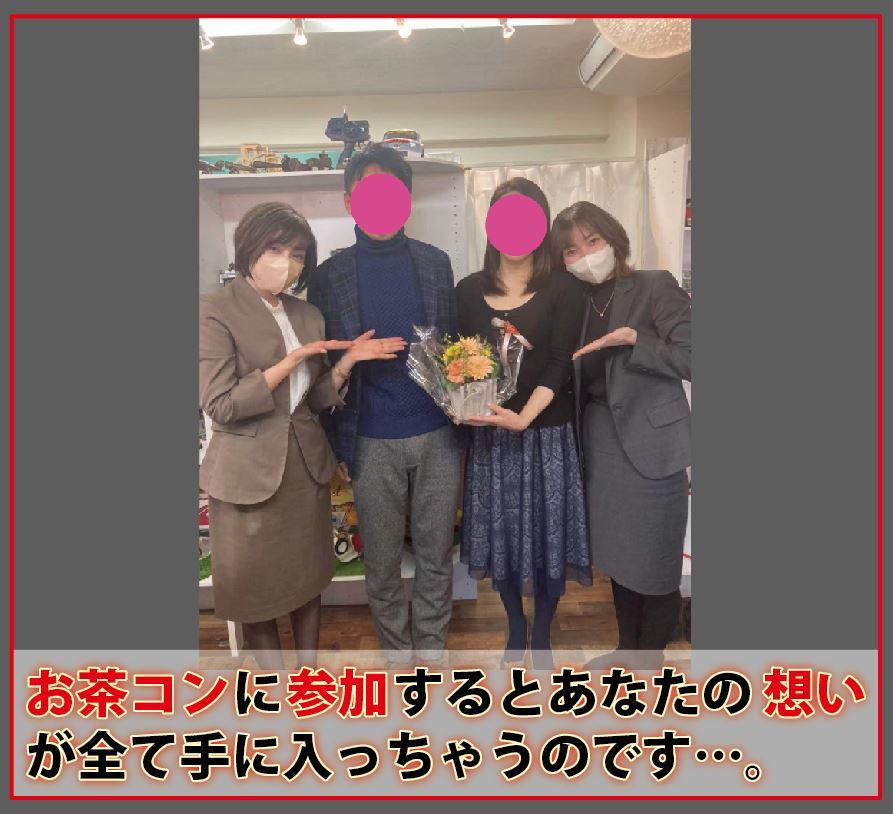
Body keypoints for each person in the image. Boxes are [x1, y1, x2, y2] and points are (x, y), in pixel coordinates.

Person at [199, 201, 404, 668]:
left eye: (296, 254)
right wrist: (289, 362)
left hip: (305, 469)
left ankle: (308, 676)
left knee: (308, 580)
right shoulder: (214, 310)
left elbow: (312, 400)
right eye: (275, 249)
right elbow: (221, 404)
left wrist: (346, 363)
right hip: (247, 475)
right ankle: (275, 688)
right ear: (248, 246)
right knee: (255, 591)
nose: (286, 263)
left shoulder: (307, 314)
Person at [308, 144, 464, 666]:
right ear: (348, 200)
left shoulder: (435, 263)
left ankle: (431, 655)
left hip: (438, 434)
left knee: (436, 553)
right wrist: (350, 364)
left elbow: (453, 346)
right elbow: (321, 369)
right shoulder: (330, 277)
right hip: (369, 439)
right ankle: (398, 659)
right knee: (380, 561)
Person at [456, 178, 593, 670]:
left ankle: (543, 632)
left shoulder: (564, 288)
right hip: (493, 439)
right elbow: (461, 361)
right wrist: (459, 402)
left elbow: (560, 362)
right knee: (504, 538)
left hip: (547, 433)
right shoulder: (468, 291)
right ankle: (515, 627)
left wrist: (525, 417)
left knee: (549, 536)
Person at [551, 201, 692, 670]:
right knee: (620, 557)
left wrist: (636, 341)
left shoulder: (654, 285)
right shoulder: (576, 301)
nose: (585, 256)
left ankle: (649, 663)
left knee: (656, 562)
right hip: (600, 444)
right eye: (571, 250)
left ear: (613, 238)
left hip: (653, 444)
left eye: (592, 241)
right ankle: (627, 651)